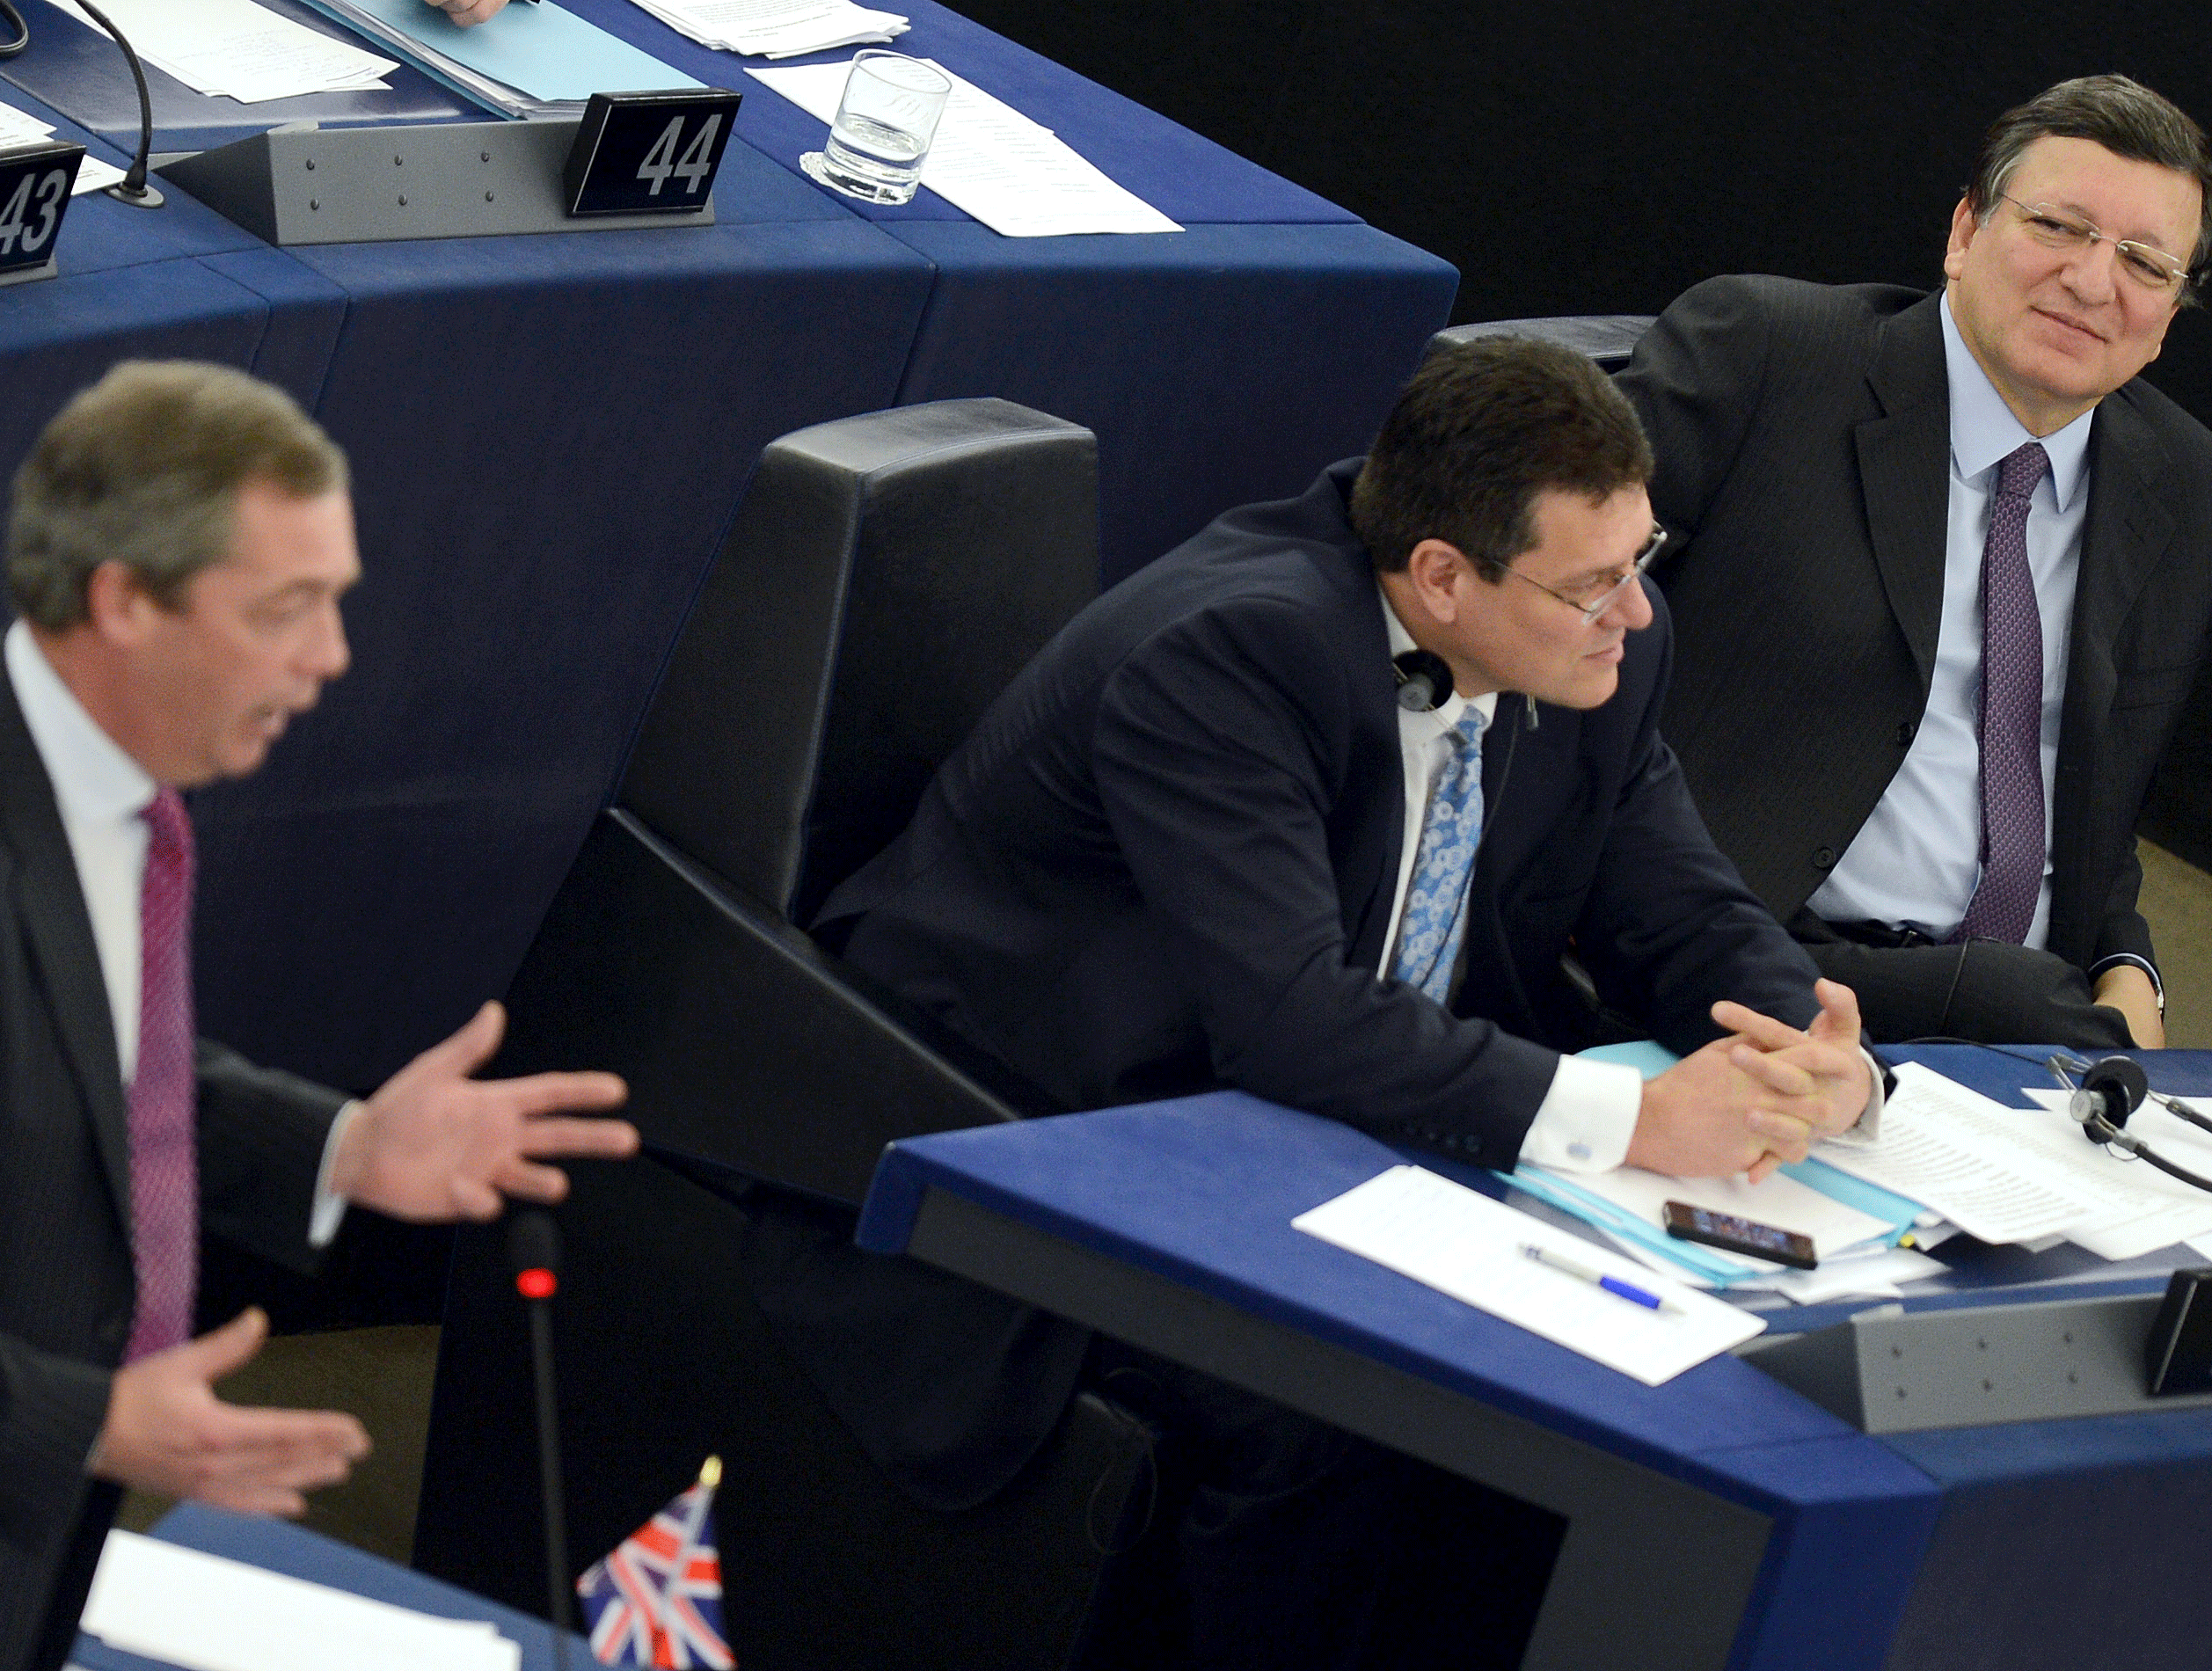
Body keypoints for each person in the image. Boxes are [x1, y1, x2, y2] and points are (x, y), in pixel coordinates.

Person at [748, 336, 1874, 1668]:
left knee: (1646, 1398)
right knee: (1352, 1422)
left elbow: (1676, 906)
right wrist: (1637, 1121)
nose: (1632, 611)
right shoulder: (1229, 653)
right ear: (1442, 577)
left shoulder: (1596, 646)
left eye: (1640, 562)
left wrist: (1813, 1052)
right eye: (1592, 585)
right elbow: (1292, 1020)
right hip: (1051, 1127)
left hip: (1332, 1122)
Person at [0, 361, 639, 1671]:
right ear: (124, 602)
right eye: (288, 611)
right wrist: (79, 1424)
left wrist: (340, 1149)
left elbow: (105, 1090)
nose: (332, 659)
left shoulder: (114, 799)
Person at [1617, 73, 2212, 1051]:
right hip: (1743, 957)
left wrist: (2125, 964)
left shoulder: (2180, 484)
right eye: (2058, 227)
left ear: (2168, 315)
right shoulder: (1764, 357)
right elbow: (1529, 614)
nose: (2093, 282)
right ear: (1964, 233)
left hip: (2032, 1023)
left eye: (2145, 263)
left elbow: (2082, 775)